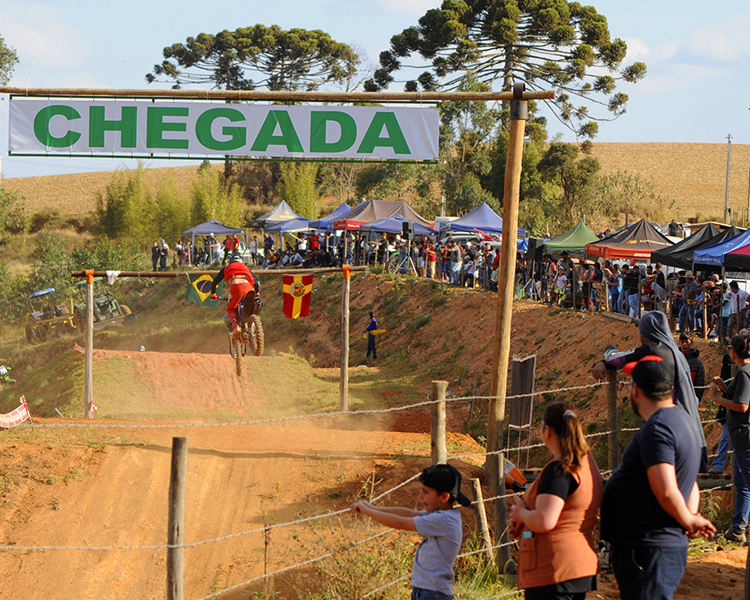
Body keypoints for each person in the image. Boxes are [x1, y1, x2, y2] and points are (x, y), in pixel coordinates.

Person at [601, 354, 716, 600]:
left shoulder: (658, 429)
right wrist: (690, 515)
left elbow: (665, 489)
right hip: (656, 547)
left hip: (648, 549)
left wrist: (687, 520)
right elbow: (690, 483)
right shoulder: (683, 421)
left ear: (637, 391)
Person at [592, 311, 709, 472]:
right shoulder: (676, 353)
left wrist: (607, 354)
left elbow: (616, 358)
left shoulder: (652, 349)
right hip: (689, 426)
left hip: (668, 425)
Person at [510, 403, 603, 600]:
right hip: (576, 566)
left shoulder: (559, 471)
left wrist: (522, 513)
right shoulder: (587, 464)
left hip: (553, 569)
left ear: (547, 430)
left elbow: (545, 520)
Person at [351, 463, 471, 600]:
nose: (420, 496)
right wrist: (373, 508)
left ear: (444, 497)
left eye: (426, 492)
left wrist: (368, 512)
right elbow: (408, 513)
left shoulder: (443, 520)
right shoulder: (443, 515)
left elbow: (401, 522)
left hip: (433, 594)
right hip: (428, 590)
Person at [708, 331, 750, 541]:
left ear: (734, 351)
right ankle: (737, 530)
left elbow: (742, 405)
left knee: (747, 484)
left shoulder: (744, 373)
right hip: (741, 436)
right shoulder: (746, 372)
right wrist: (725, 387)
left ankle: (739, 529)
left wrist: (716, 398)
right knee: (742, 484)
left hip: (745, 436)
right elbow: (740, 396)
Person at [209, 255, 259, 335]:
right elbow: (257, 282)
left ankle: (236, 326)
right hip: (248, 288)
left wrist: (213, 294)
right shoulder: (246, 267)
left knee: (231, 309)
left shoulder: (227, 268)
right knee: (254, 306)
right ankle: (257, 322)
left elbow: (215, 281)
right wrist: (256, 292)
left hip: (236, 288)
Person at [679, 333, 705, 403]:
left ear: (691, 342)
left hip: (690, 400)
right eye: (682, 342)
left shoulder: (698, 363)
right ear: (679, 342)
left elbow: (699, 385)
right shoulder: (674, 359)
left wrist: (696, 402)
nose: (684, 344)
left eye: (687, 342)